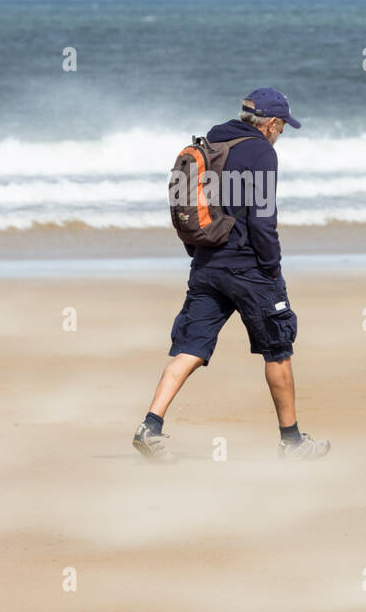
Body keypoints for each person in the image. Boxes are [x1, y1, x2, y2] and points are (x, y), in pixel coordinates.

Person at [133, 88, 330, 461]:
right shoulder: (262, 152)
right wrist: (271, 266)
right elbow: (262, 218)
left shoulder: (212, 142)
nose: (282, 133)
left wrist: (199, 253)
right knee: (278, 348)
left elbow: (197, 206)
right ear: (271, 123)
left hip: (207, 263)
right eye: (283, 126)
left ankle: (150, 425)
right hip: (249, 267)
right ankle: (292, 442)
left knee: (190, 346)